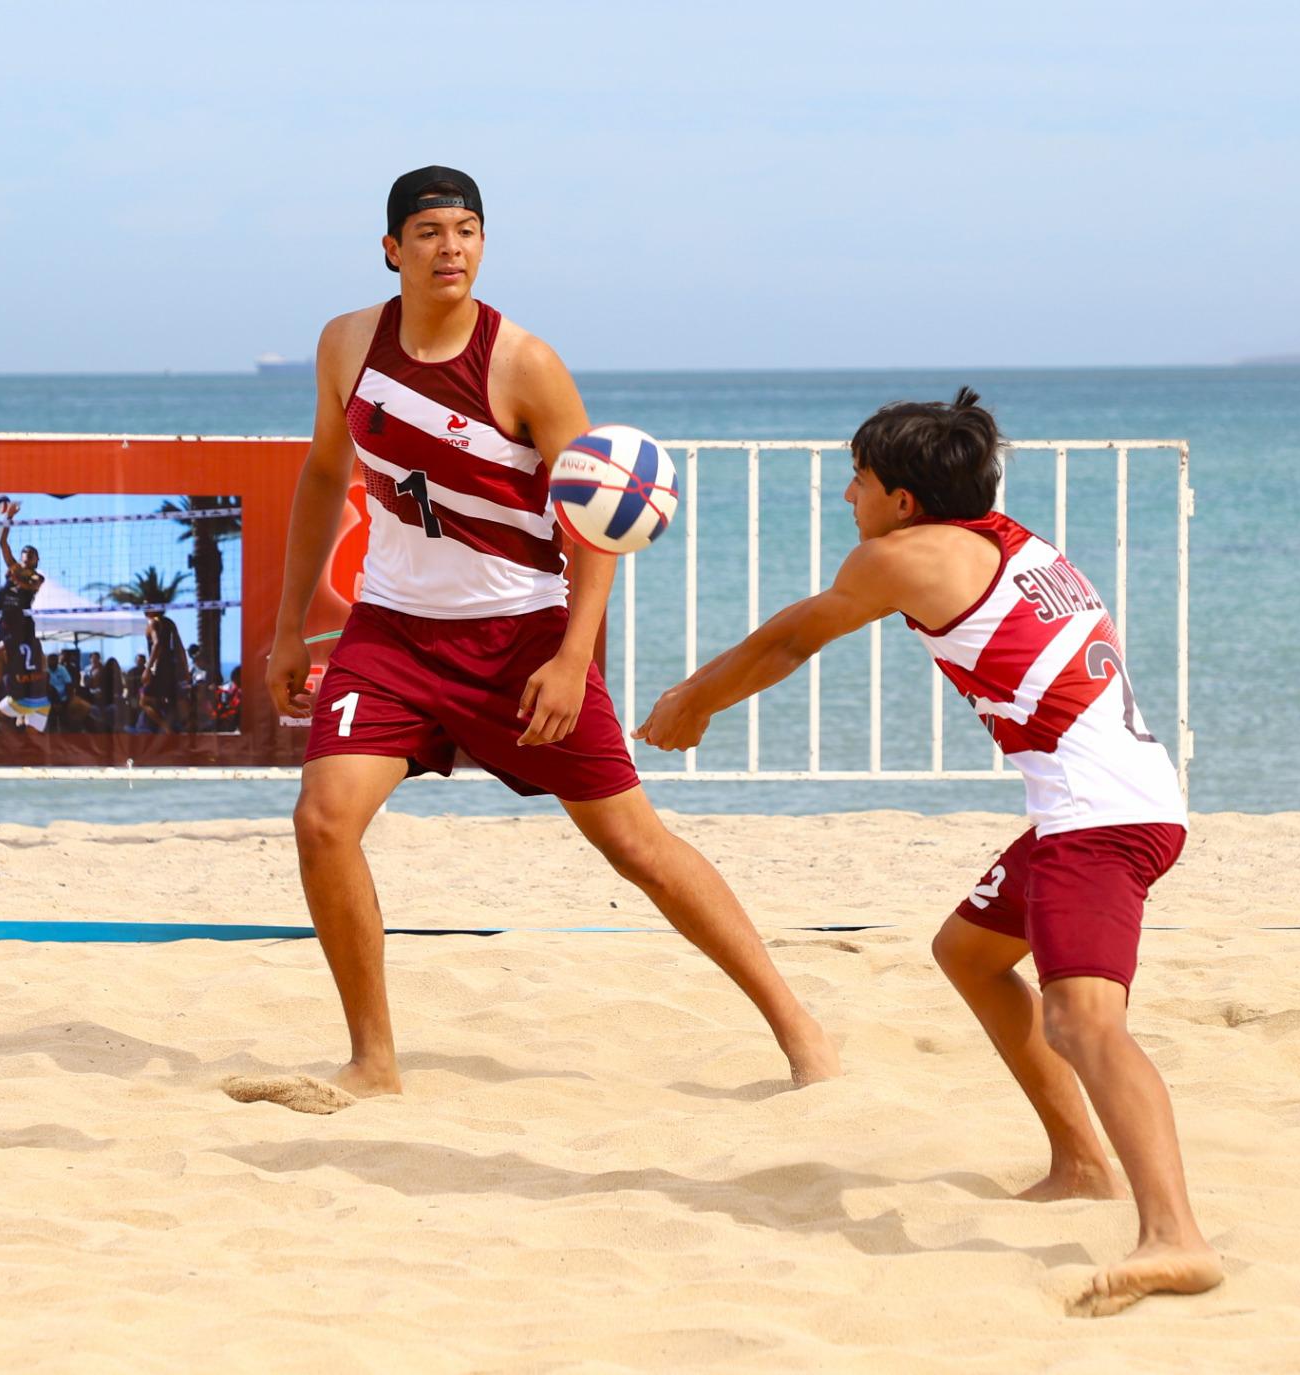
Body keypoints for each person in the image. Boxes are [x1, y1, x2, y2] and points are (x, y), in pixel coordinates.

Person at [635, 388, 1222, 1317]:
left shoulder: (900, 556)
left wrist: (692, 699)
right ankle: (1080, 1164)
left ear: (902, 500)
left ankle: (1176, 1236)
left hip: (1098, 820)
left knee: (1086, 1023)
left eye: (858, 480)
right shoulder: (1010, 541)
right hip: (1114, 800)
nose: (847, 497)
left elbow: (791, 639)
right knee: (969, 951)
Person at [259, 164, 838, 1104]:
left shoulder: (525, 363)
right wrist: (291, 628)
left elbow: (595, 519)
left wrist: (573, 657)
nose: (451, 247)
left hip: (519, 639)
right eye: (430, 232)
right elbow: (327, 474)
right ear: (392, 249)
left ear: (484, 243)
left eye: (467, 230)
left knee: (634, 845)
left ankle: (799, 1028)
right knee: (322, 820)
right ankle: (373, 1061)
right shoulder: (346, 343)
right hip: (390, 633)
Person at [0, 502, 44, 656]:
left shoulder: (37, 576)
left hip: (23, 619)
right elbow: (2, 543)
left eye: (31, 553)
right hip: (6, 617)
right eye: (25, 552)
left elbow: (33, 585)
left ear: (37, 559)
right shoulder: (14, 567)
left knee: (30, 654)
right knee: (0, 655)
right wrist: (9, 517)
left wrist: (17, 579)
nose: (27, 553)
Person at [140, 609, 189, 732]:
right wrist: (185, 668)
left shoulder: (153, 623)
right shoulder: (169, 623)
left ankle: (166, 728)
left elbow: (157, 644)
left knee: (144, 701)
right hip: (172, 667)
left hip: (160, 668)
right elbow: (180, 647)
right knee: (171, 701)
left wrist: (148, 669)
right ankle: (178, 728)